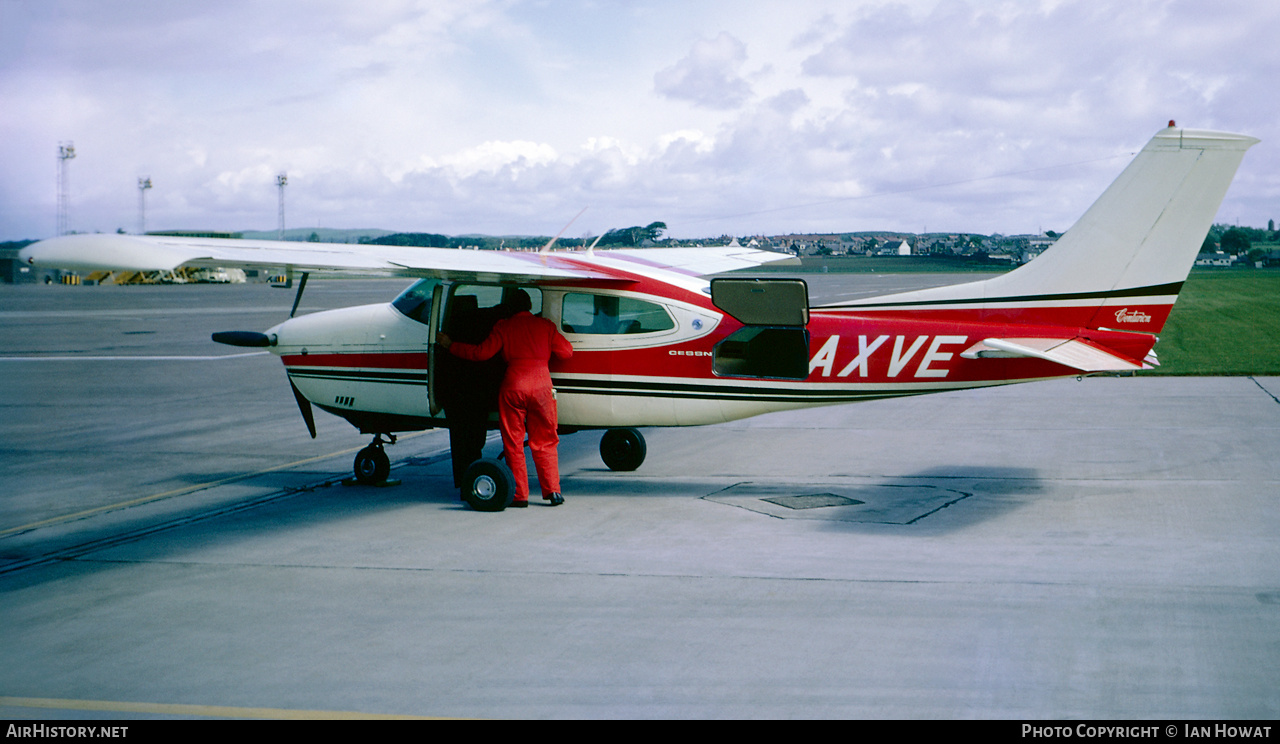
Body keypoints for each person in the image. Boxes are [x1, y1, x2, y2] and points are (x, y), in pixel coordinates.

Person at [437, 289, 573, 507]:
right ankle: (553, 492)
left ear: (509, 308)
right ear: (529, 305)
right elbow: (566, 352)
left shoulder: (503, 326)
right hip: (542, 387)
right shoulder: (545, 326)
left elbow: (480, 354)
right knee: (545, 441)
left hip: (513, 386)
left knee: (514, 442)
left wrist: (450, 345)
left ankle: (520, 495)